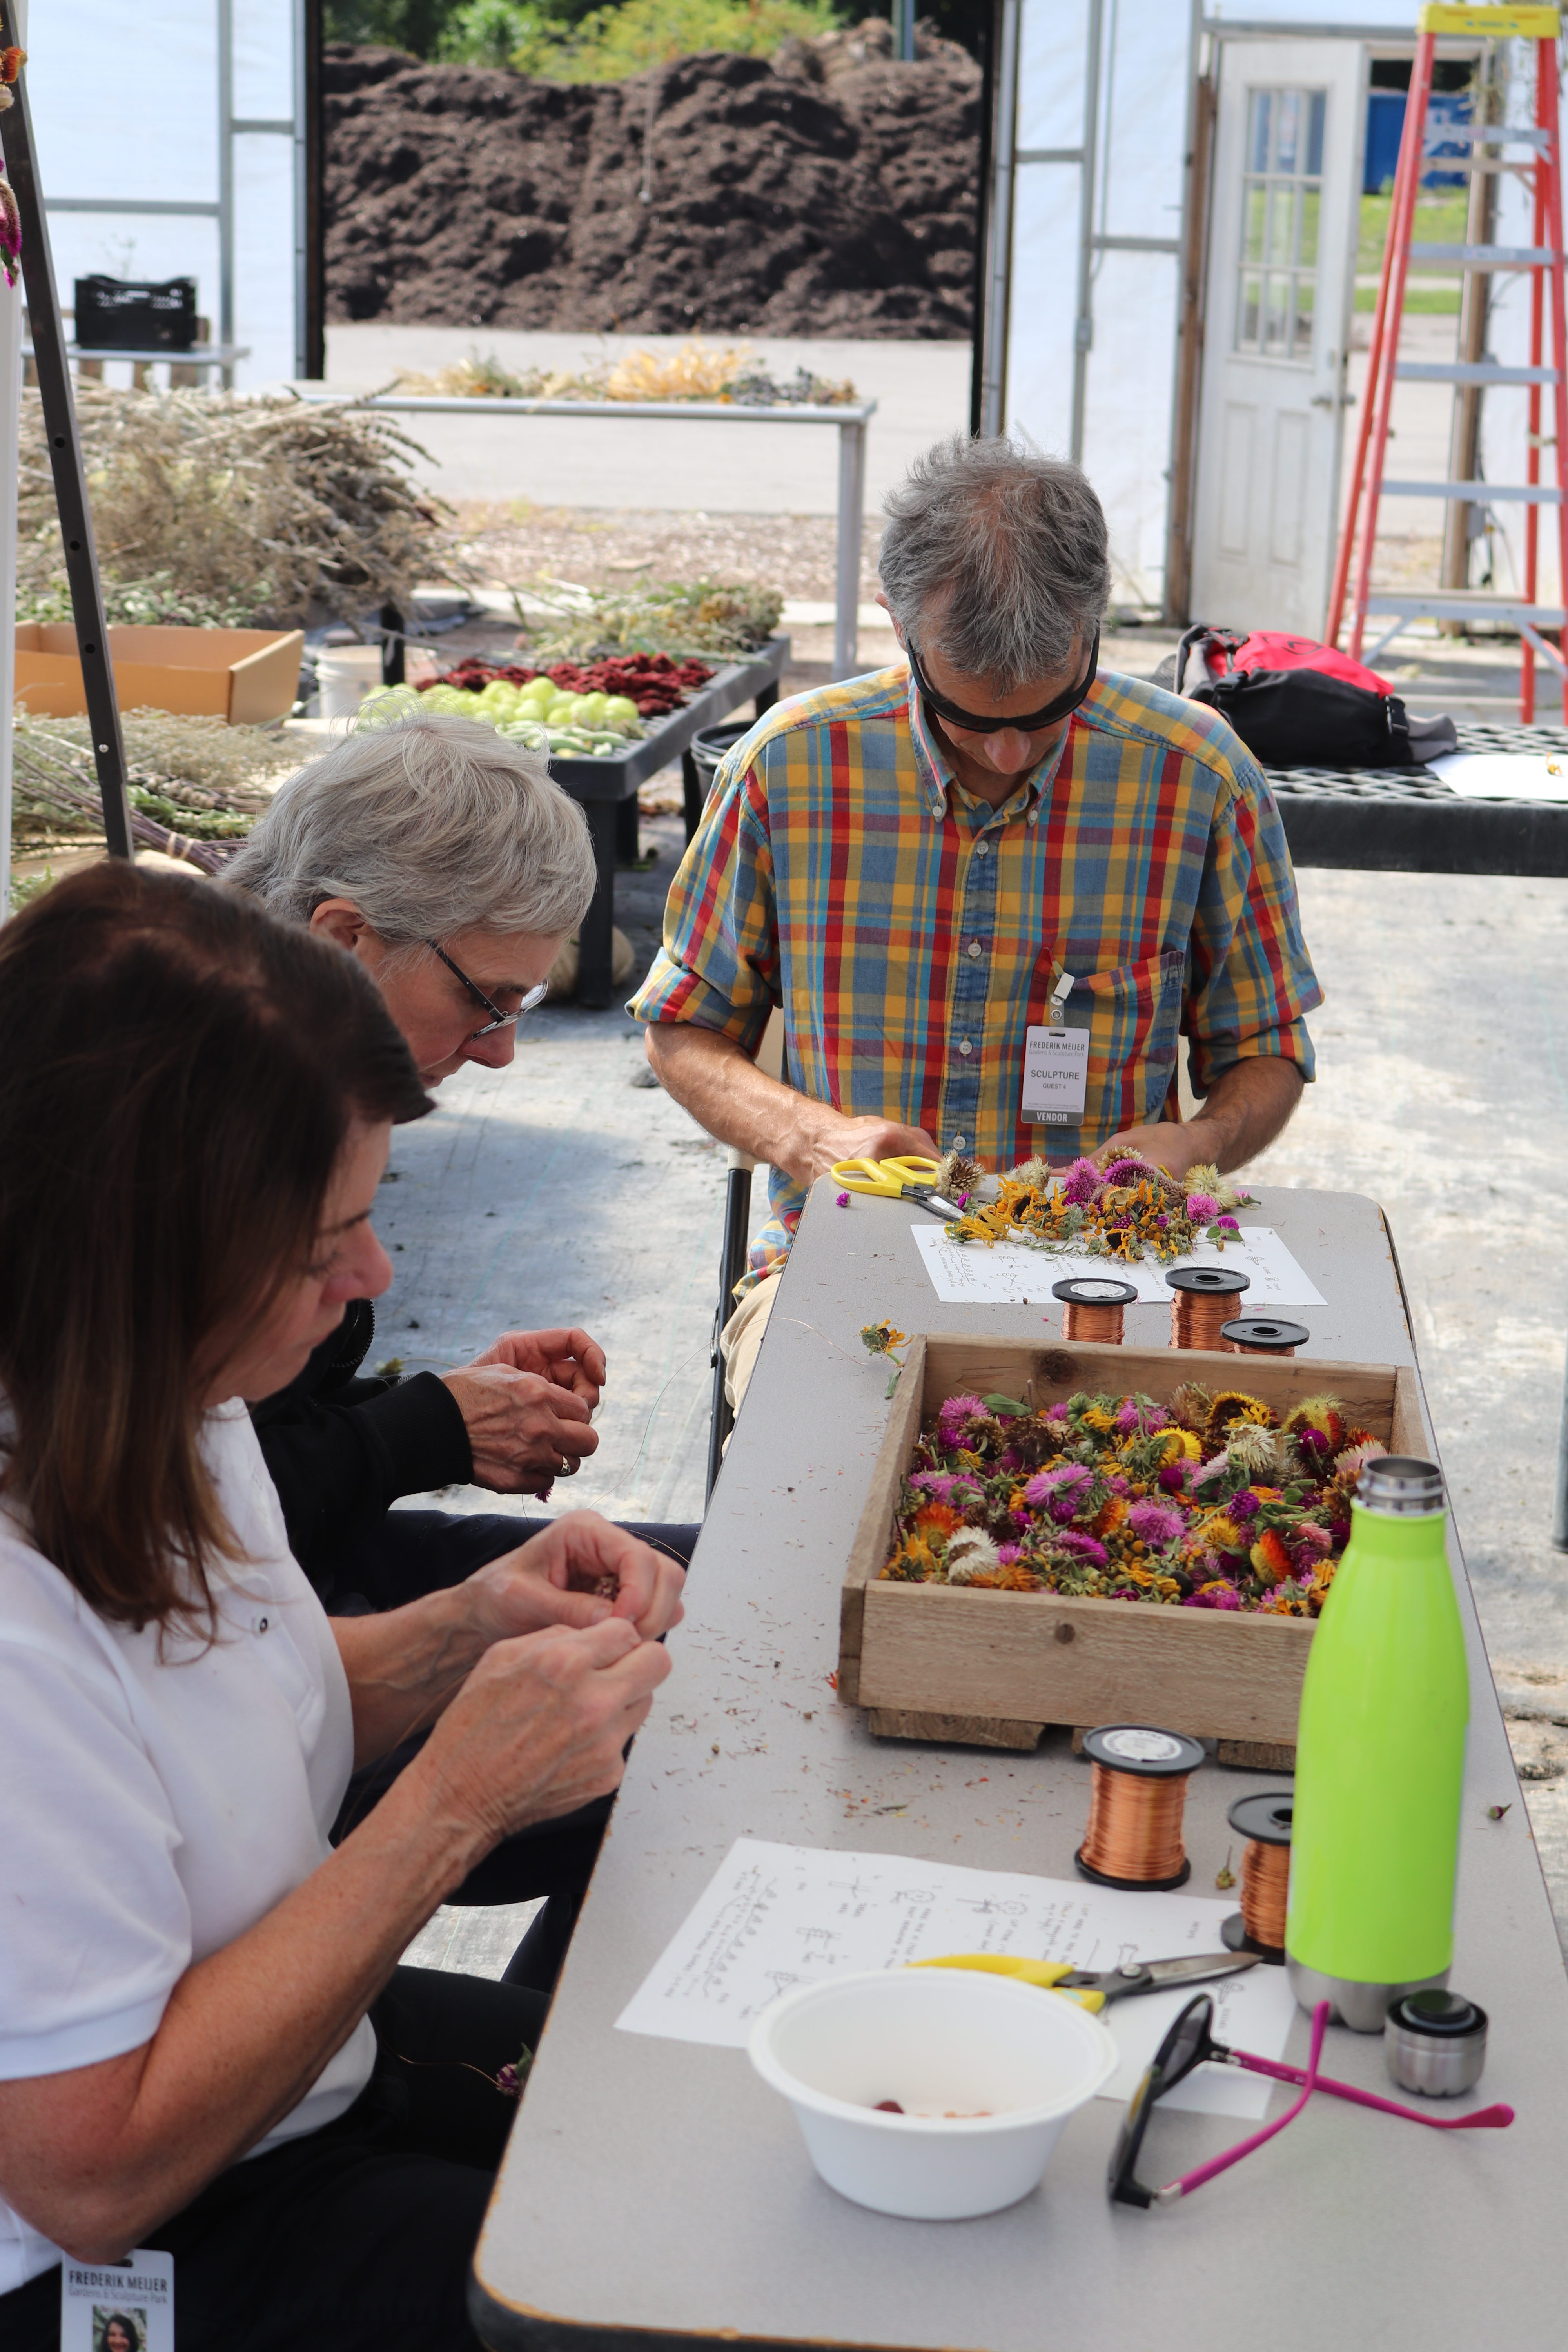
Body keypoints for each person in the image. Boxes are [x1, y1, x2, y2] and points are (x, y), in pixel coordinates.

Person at [0, 866, 684, 2352]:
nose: (374, 1277)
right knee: (676, 2302)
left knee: (712, 2132)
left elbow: (239, 1719)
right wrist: (455, 1802)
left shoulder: (174, 1392)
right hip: (118, 2242)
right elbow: (89, 2179)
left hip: (292, 2082)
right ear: (138, 1250)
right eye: (325, 1250)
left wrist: (472, 1626)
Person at [630, 434, 1323, 1407]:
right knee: (825, 1456)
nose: (1004, 753)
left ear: (1091, 629)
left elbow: (1265, 1048)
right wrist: (808, 1136)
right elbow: (681, 1030)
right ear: (894, 625)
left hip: (1105, 1273)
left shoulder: (1195, 775)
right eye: (964, 716)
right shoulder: (789, 768)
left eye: (1046, 715)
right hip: (838, 1263)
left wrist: (1198, 1142)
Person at [225, 714, 700, 1608]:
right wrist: (429, 1430)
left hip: (289, 1583)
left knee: (719, 1581)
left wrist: (452, 1407)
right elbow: (173, 1523)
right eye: (483, 1000)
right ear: (342, 940)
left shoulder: (263, 1072)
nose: (499, 1053)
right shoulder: (166, 1128)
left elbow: (247, 1432)